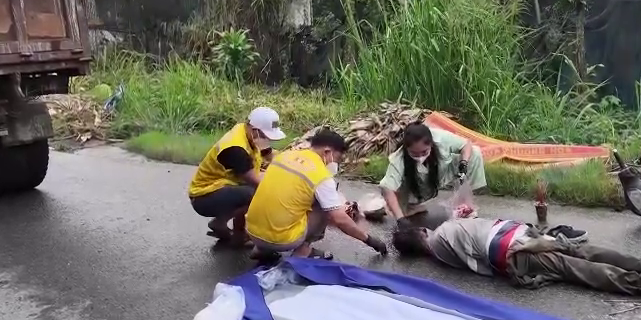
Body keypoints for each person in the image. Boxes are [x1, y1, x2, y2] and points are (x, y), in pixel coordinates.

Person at [391, 217, 641, 298]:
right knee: (580, 252)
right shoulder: (446, 228)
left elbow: (481, 264)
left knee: (576, 267)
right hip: (518, 235)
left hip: (511, 251)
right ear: (421, 230)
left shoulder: (440, 255)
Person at [245, 128, 389, 261]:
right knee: (326, 206)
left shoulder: (284, 156)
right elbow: (339, 219)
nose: (336, 164)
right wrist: (369, 240)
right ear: (327, 152)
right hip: (281, 240)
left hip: (252, 231)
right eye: (337, 159)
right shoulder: (320, 175)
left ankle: (262, 249)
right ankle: (303, 251)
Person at [188, 106, 285, 246]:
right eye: (266, 136)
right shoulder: (235, 149)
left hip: (220, 188)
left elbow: (266, 154)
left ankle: (224, 226)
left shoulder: (246, 132)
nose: (268, 140)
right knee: (256, 193)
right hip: (203, 196)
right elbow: (258, 182)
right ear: (255, 131)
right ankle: (237, 234)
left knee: (251, 189)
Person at [380, 122, 486, 231]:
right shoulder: (399, 159)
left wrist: (463, 164)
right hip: (416, 188)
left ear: (431, 143)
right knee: (397, 209)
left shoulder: (440, 138)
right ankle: (402, 207)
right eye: (414, 154)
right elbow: (387, 187)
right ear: (406, 149)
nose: (420, 157)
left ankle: (464, 206)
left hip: (440, 174)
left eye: (424, 152)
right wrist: (400, 219)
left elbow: (466, 145)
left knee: (475, 153)